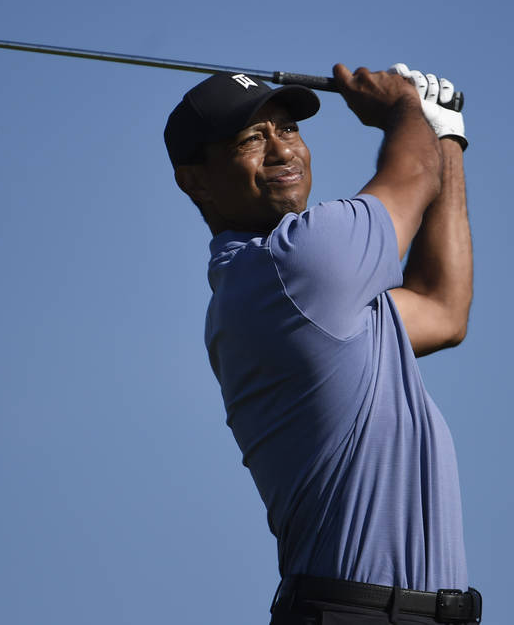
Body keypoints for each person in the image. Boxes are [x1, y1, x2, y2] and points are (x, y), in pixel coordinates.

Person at [164, 63, 480, 624]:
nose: (281, 151)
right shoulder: (293, 266)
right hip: (352, 613)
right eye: (250, 140)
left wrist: (446, 134)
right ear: (196, 180)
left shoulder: (305, 291)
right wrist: (404, 108)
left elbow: (440, 309)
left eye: (287, 130)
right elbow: (413, 173)